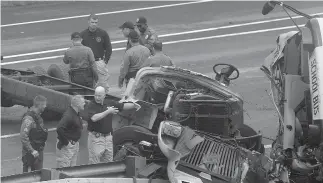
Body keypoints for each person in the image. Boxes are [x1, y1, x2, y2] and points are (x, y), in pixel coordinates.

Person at [84, 86, 137, 164]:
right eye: (96, 95)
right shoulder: (91, 105)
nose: (97, 98)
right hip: (96, 139)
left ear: (104, 95)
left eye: (99, 95)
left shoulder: (109, 103)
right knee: (94, 164)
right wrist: (108, 111)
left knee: (108, 163)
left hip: (108, 139)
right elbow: (94, 118)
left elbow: (123, 106)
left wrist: (136, 104)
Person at [80, 14, 112, 91]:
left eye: (96, 22)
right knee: (89, 83)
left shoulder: (103, 33)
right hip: (87, 64)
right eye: (92, 22)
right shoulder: (82, 35)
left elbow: (109, 48)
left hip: (99, 62)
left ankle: (105, 99)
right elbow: (80, 49)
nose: (94, 24)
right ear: (88, 22)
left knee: (103, 84)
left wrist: (105, 61)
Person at [20, 95, 48, 173]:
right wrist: (32, 150)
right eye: (44, 104)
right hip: (30, 153)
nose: (45, 106)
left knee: (38, 174)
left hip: (38, 151)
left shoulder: (38, 117)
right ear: (39, 105)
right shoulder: (29, 119)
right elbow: (23, 136)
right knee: (28, 176)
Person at [56, 95, 86, 168]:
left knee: (72, 169)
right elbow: (59, 128)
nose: (84, 103)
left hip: (74, 145)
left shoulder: (76, 113)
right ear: (77, 104)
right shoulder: (68, 115)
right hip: (67, 147)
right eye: (83, 102)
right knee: (64, 170)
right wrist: (67, 143)